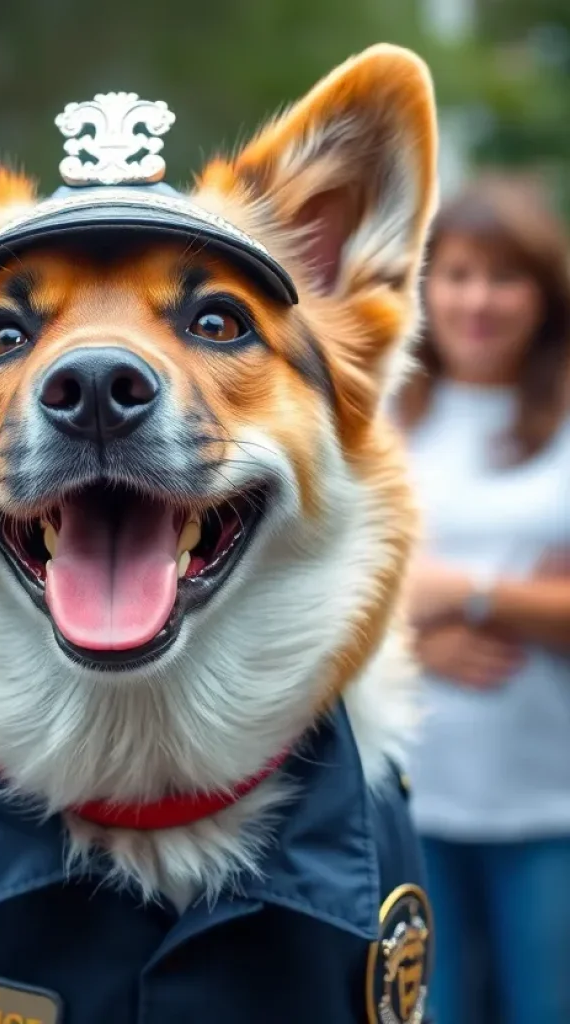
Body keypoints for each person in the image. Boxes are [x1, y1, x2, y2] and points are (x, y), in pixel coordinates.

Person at [396, 176, 570, 1024]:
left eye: (505, 277)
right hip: (409, 795)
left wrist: (459, 592)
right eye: (458, 273)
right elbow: (332, 588)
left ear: (544, 293)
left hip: (549, 803)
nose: (478, 300)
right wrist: (416, 642)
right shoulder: (386, 414)